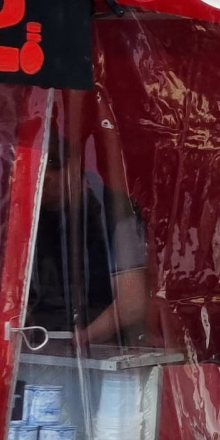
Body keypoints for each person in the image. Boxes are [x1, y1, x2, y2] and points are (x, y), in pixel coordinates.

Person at [27, 132, 148, 348]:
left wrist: (78, 344)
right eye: (35, 179)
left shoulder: (115, 212)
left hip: (98, 345)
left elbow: (132, 302)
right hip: (35, 343)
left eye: (48, 178)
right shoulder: (27, 213)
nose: (42, 187)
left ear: (74, 166)